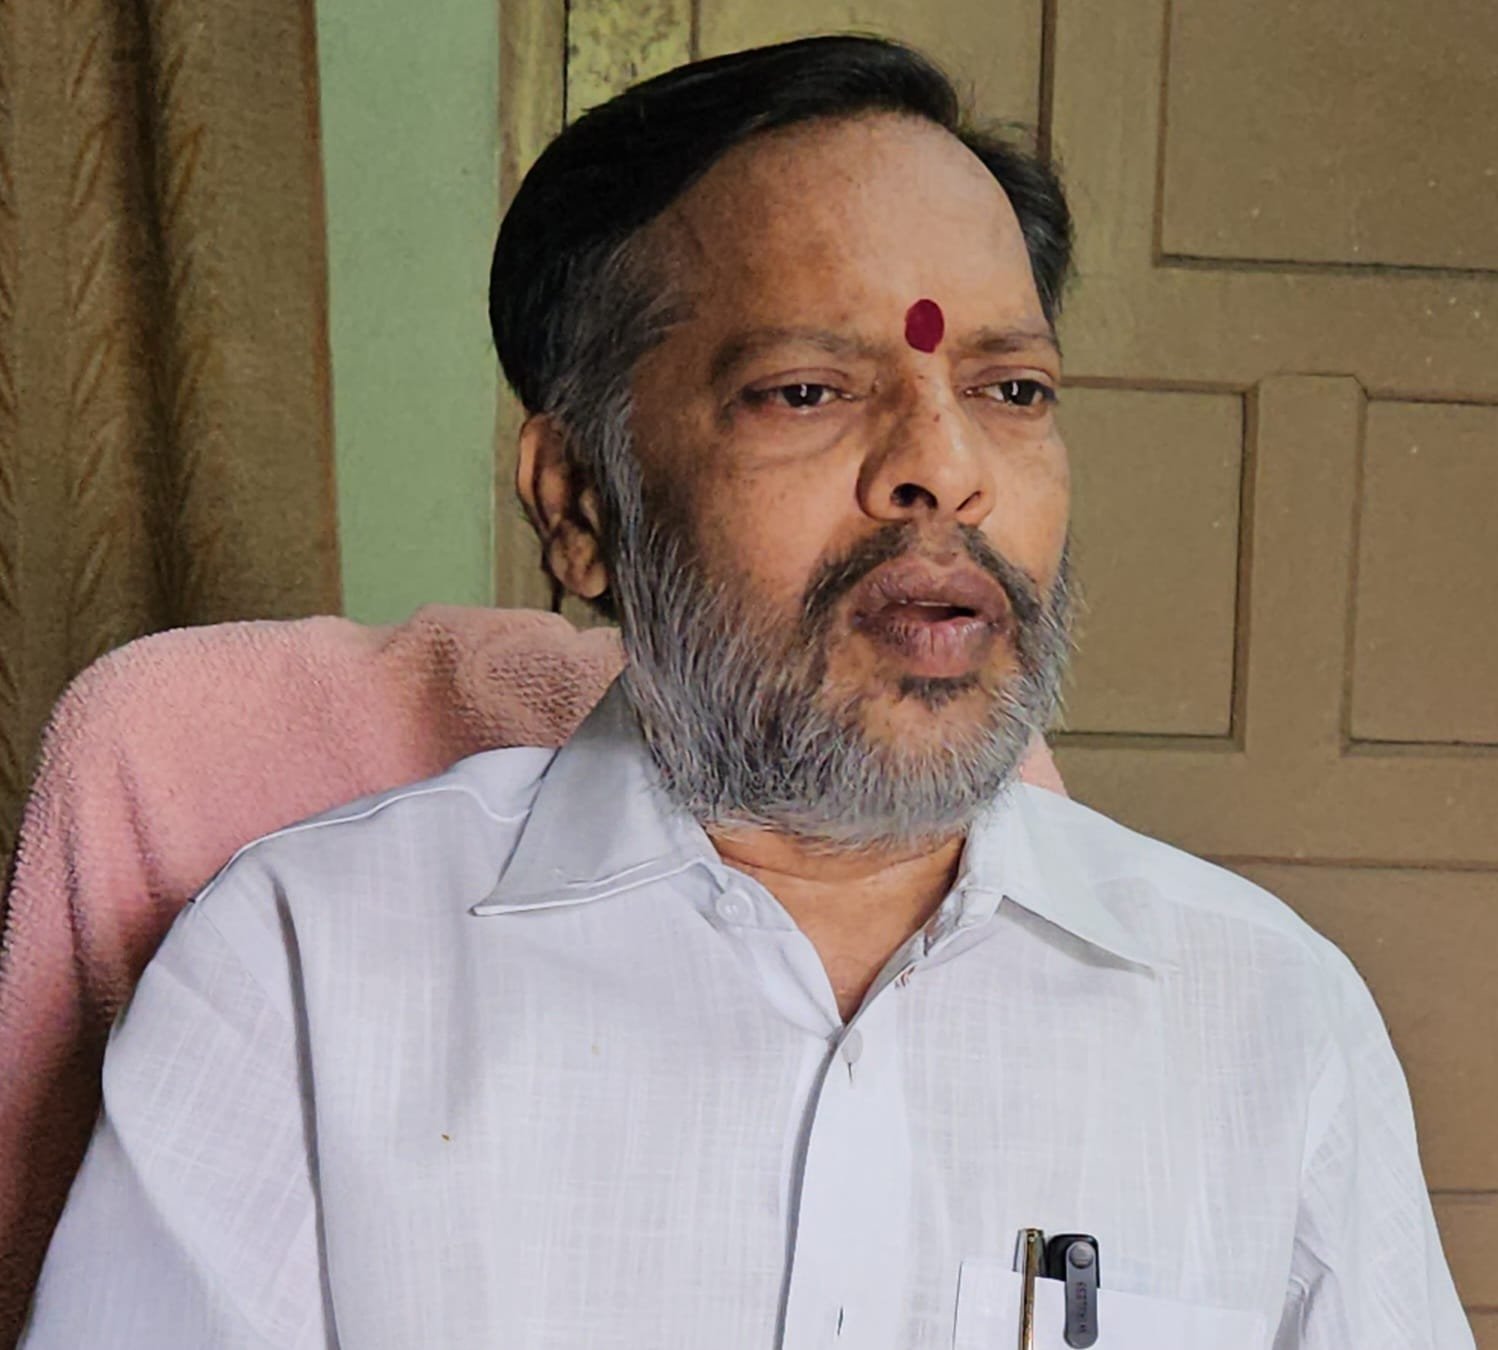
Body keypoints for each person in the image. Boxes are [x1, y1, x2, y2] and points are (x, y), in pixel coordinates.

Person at [20, 35, 1471, 1350]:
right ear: (581, 502)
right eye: (806, 390)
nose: (945, 466)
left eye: (1012, 390)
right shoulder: (299, 975)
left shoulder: (1268, 1016)